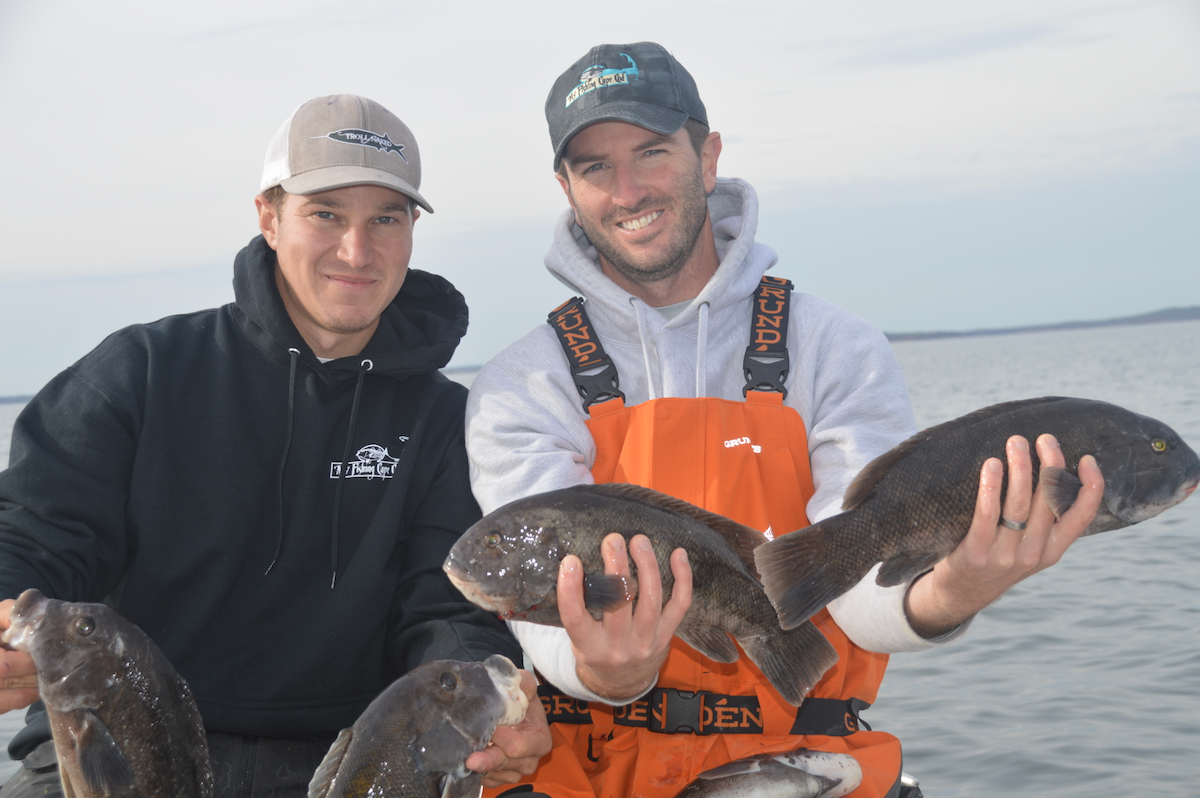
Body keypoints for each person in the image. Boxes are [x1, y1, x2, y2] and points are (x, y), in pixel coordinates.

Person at [464, 43, 1103, 798]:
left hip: (807, 762)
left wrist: (953, 589)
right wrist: (609, 667)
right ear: (567, 188)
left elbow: (862, 592)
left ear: (708, 158)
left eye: (652, 152)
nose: (628, 188)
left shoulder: (836, 348)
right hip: (594, 775)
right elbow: (537, 612)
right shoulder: (519, 384)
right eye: (595, 167)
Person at [0, 94, 549, 797]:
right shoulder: (141, 371)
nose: (357, 250)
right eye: (326, 214)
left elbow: (446, 611)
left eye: (386, 217)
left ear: (413, 229)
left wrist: (486, 700)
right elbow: (38, 534)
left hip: (346, 762)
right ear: (268, 216)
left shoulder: (446, 418)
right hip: (123, 740)